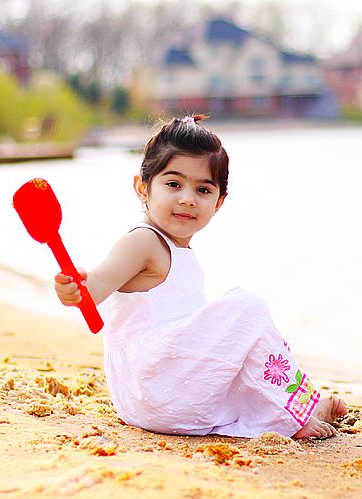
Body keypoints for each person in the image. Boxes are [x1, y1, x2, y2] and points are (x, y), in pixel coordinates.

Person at [54, 114, 345, 438]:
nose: (187, 198)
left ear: (219, 202)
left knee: (235, 339)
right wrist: (77, 288)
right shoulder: (144, 241)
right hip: (153, 386)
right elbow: (97, 286)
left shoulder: (180, 253)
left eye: (203, 189)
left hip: (155, 398)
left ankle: (298, 405)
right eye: (174, 184)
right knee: (247, 308)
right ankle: (297, 411)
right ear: (143, 188)